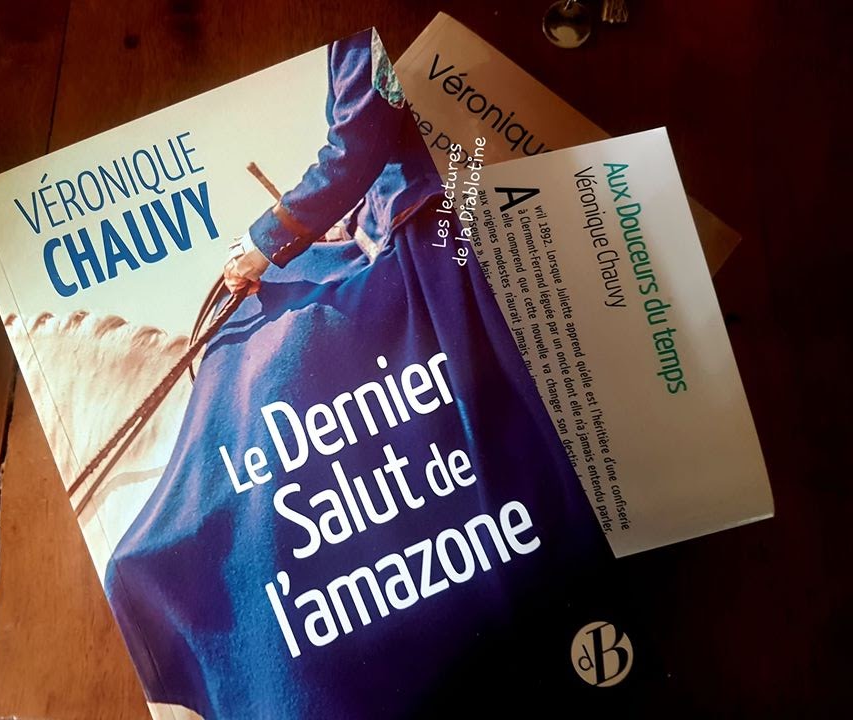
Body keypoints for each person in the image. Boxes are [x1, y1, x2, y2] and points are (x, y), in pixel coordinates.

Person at [105, 29, 607, 720]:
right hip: (392, 214)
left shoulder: (358, 26)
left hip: (431, 216)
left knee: (275, 355)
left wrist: (266, 241)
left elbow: (358, 144)